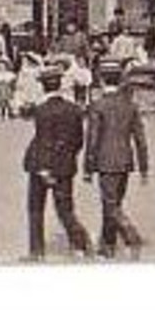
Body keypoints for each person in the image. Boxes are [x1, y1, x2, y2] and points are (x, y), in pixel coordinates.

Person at [23, 66, 92, 260]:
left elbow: (44, 141)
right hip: (66, 166)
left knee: (36, 209)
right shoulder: (74, 109)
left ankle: (36, 252)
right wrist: (66, 158)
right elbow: (78, 141)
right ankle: (82, 245)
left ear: (43, 86)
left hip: (40, 166)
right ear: (60, 85)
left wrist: (45, 168)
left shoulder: (42, 111)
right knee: (65, 209)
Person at [84, 62, 149, 260]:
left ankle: (131, 235)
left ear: (102, 80)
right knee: (114, 203)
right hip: (125, 160)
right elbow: (140, 139)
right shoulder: (130, 106)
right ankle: (107, 245)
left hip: (105, 161)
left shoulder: (98, 106)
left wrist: (88, 167)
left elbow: (93, 139)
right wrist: (144, 167)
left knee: (110, 205)